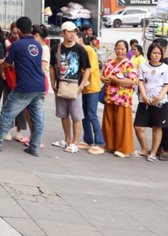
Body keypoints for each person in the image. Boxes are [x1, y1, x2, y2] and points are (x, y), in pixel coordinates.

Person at [0, 17, 46, 157]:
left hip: (24, 86)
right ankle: (34, 147)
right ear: (31, 30)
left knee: (6, 114)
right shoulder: (38, 45)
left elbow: (5, 64)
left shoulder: (16, 45)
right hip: (40, 86)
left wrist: (10, 64)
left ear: (18, 30)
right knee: (38, 119)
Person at [49, 22, 90, 153]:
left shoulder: (80, 49)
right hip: (60, 85)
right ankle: (67, 140)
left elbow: (87, 68)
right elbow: (51, 66)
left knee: (76, 116)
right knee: (63, 114)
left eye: (75, 32)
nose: (73, 34)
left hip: (74, 86)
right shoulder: (56, 48)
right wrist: (52, 83)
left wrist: (81, 85)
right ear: (63, 33)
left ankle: (75, 142)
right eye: (69, 31)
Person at [100, 40, 138, 158]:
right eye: (118, 48)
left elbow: (133, 80)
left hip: (123, 98)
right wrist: (103, 79)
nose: (120, 51)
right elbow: (102, 74)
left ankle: (124, 149)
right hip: (110, 97)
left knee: (122, 123)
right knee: (109, 122)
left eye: (122, 49)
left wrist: (117, 81)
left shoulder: (129, 64)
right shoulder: (110, 61)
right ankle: (109, 144)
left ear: (126, 50)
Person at [134, 43, 168, 162]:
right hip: (144, 101)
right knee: (138, 126)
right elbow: (140, 82)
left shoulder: (166, 68)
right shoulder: (143, 66)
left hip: (160, 102)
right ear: (149, 53)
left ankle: (153, 152)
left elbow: (167, 85)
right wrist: (144, 96)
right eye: (154, 53)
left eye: (159, 53)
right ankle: (144, 149)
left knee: (157, 127)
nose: (156, 55)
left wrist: (159, 98)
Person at [81, 36, 105, 155]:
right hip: (85, 88)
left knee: (91, 114)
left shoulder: (89, 51)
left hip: (93, 88)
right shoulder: (82, 50)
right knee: (85, 115)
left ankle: (99, 142)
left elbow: (90, 68)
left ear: (80, 38)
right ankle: (88, 140)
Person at [155, 37, 168, 161]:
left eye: (158, 50)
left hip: (166, 97)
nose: (156, 52)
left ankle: (166, 150)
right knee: (157, 124)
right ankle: (158, 148)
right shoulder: (156, 62)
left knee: (165, 124)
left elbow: (167, 84)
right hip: (156, 97)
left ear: (164, 48)